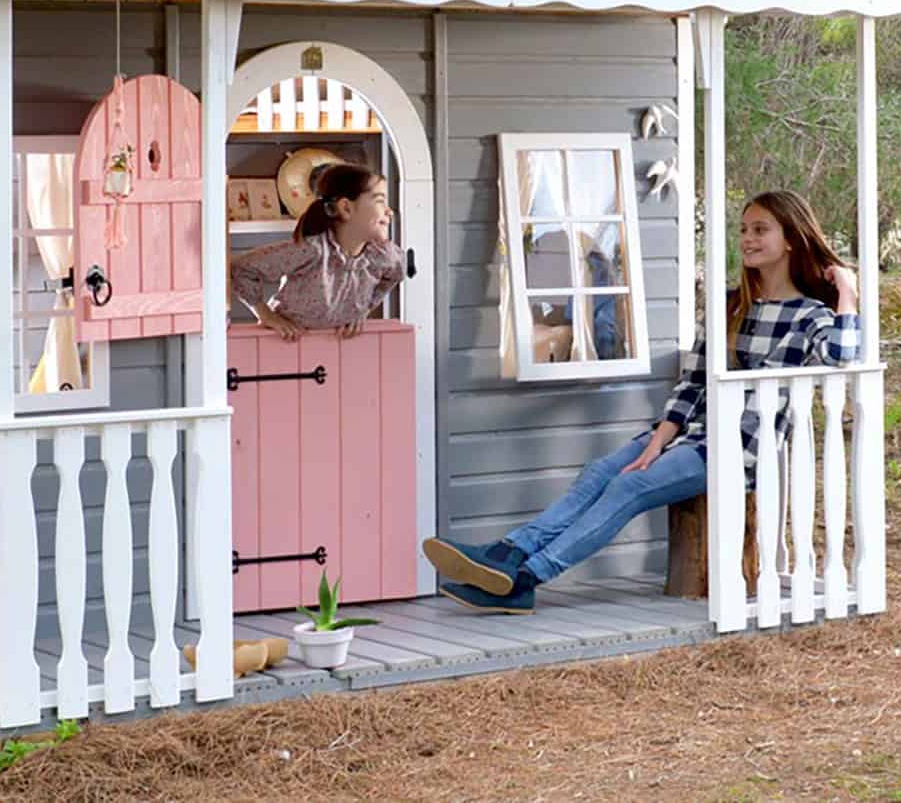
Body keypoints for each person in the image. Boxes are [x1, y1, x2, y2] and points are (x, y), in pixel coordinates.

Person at [424, 190, 862, 613]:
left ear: (790, 240)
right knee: (601, 472)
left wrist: (847, 292)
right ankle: (507, 552)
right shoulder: (731, 307)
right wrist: (657, 439)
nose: (747, 239)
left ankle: (525, 580)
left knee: (628, 488)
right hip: (688, 435)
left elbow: (842, 354)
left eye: (760, 229)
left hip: (735, 449)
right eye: (744, 229)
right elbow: (692, 384)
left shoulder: (811, 315)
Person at [230, 162, 406, 341]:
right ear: (346, 208)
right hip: (284, 342)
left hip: (336, 343)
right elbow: (241, 269)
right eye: (380, 201)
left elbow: (396, 273)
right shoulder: (311, 251)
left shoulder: (382, 256)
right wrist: (266, 316)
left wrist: (363, 310)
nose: (389, 211)